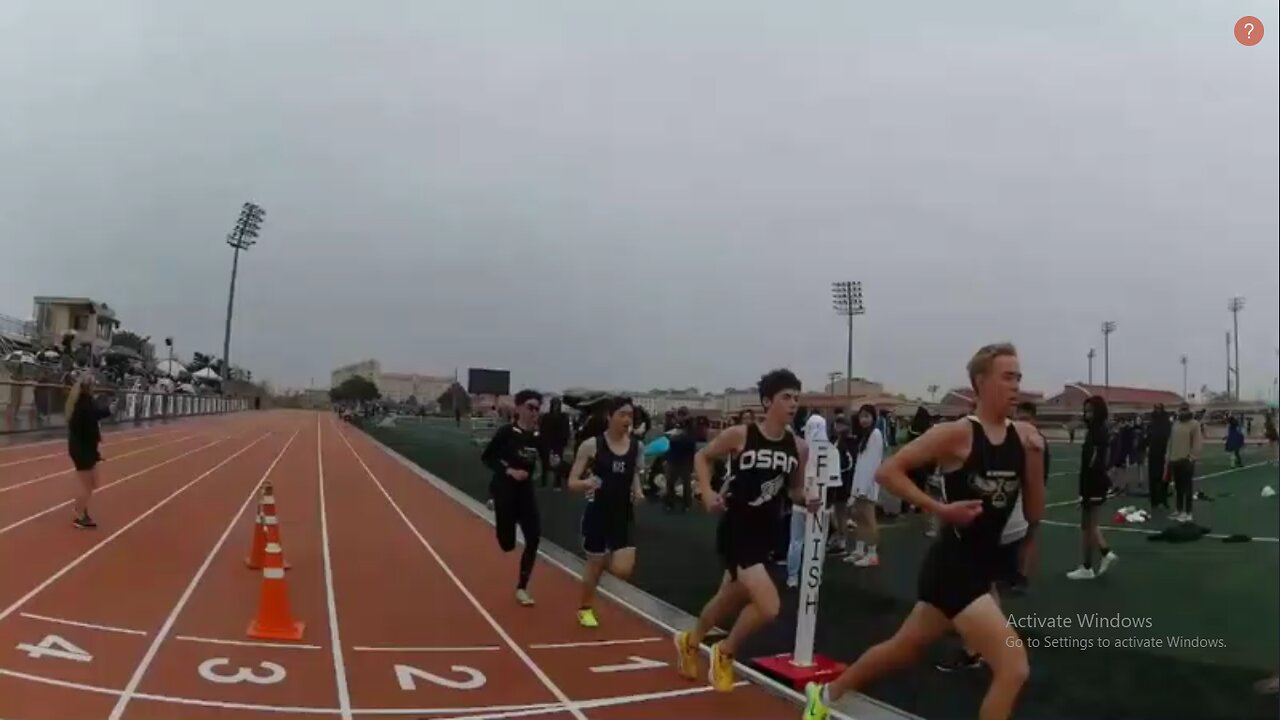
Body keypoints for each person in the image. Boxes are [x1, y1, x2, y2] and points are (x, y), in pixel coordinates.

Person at [802, 343, 1045, 720]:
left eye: (1019, 377)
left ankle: (826, 694)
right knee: (1014, 667)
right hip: (954, 569)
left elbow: (1033, 512)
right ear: (980, 382)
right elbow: (888, 472)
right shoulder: (958, 434)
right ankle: (826, 694)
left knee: (903, 648)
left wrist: (1035, 457)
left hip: (981, 569)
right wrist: (940, 508)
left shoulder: (1024, 435)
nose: (1016, 385)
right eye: (1007, 377)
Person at [674, 368, 819, 692]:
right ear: (767, 401)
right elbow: (702, 456)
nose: (793, 403)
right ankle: (725, 652)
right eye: (786, 397)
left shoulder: (800, 447)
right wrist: (707, 491)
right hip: (737, 529)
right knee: (769, 607)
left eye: (796, 397)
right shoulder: (741, 435)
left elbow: (794, 490)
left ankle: (691, 641)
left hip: (767, 532)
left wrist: (806, 498)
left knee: (730, 597)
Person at [935, 400, 1047, 672]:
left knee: (967, 588)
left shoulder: (1019, 439)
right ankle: (988, 644)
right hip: (1000, 524)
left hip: (993, 525)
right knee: (983, 586)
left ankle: (982, 648)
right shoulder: (1007, 438)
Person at [567, 396, 644, 628]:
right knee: (595, 565)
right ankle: (585, 608)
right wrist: (587, 483)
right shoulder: (592, 445)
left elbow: (634, 474)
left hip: (623, 513)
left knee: (623, 569)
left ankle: (605, 558)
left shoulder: (637, 447)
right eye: (622, 414)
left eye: (630, 415)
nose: (627, 420)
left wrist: (638, 491)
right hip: (598, 513)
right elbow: (572, 482)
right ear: (609, 416)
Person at [480, 389, 545, 606]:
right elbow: (487, 458)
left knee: (534, 537)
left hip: (525, 491)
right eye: (530, 407)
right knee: (507, 545)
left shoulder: (537, 437)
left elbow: (548, 462)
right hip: (505, 488)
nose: (534, 412)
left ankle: (522, 588)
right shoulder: (506, 432)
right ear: (518, 408)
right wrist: (509, 470)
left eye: (537, 409)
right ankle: (499, 511)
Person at [1067, 395, 1119, 580]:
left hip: (1094, 484)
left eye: (1090, 411)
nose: (1086, 414)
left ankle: (1089, 565)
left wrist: (1085, 492)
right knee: (1087, 525)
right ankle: (1102, 555)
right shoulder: (1096, 430)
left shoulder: (1098, 431)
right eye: (1085, 410)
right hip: (1095, 483)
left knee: (1088, 525)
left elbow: (1093, 464)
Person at [66, 371, 112, 529]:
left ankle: (80, 508)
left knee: (93, 483)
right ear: (89, 386)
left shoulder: (86, 402)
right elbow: (91, 420)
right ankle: (79, 515)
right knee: (87, 486)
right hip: (81, 449)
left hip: (85, 448)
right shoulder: (84, 404)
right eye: (94, 385)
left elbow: (94, 416)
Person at [844, 404, 885, 567]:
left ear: (873, 418)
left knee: (869, 519)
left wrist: (864, 487)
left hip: (868, 485)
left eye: (867, 416)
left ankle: (872, 554)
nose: (864, 420)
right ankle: (860, 550)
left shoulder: (875, 434)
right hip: (860, 483)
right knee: (859, 517)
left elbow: (873, 463)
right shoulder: (864, 436)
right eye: (861, 416)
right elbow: (861, 464)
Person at [1166, 404, 1202, 524]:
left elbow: (1197, 443)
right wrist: (1169, 456)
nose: (1182, 412)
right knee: (1178, 487)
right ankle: (1179, 509)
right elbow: (1171, 441)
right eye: (1181, 410)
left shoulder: (1194, 424)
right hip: (1175, 460)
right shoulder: (1176, 424)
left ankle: (1188, 513)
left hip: (1186, 461)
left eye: (1184, 410)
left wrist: (1191, 458)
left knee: (1187, 488)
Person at [538, 397, 571, 490]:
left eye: (557, 404)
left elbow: (566, 429)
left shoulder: (563, 416)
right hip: (547, 441)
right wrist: (542, 440)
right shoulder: (547, 416)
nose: (556, 406)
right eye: (554, 404)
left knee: (558, 462)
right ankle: (544, 481)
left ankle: (557, 482)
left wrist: (565, 440)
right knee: (545, 462)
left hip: (558, 442)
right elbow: (542, 429)